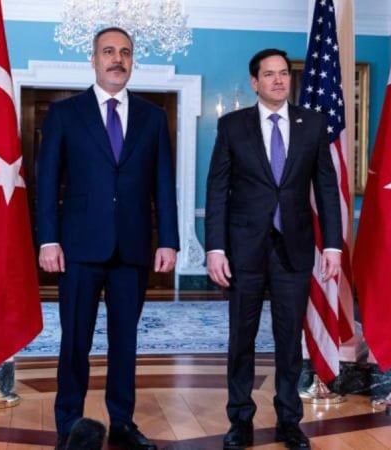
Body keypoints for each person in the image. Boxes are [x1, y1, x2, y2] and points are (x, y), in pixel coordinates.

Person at [37, 26, 178, 450]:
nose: (118, 59)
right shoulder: (65, 113)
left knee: (125, 342)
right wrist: (48, 239)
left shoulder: (153, 117)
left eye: (126, 52)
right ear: (94, 59)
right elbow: (47, 183)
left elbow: (163, 184)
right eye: (109, 51)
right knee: (74, 341)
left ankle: (122, 422)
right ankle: (69, 424)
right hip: (78, 247)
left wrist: (168, 240)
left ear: (132, 60)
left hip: (132, 248)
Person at [204, 48, 343, 450]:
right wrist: (215, 248)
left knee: (288, 338)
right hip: (243, 250)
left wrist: (333, 246)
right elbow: (218, 190)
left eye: (283, 73)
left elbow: (327, 188)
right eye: (269, 74)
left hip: (294, 249)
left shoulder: (312, 124)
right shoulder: (232, 126)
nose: (279, 80)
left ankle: (288, 420)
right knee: (241, 338)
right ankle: (240, 420)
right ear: (255, 82)